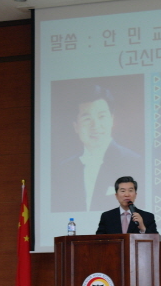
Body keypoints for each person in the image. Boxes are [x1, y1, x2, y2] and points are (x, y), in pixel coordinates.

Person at [54, 84, 143, 212]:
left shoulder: (134, 162)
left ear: (111, 120)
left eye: (101, 117)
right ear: (76, 126)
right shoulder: (64, 168)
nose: (95, 125)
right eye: (87, 119)